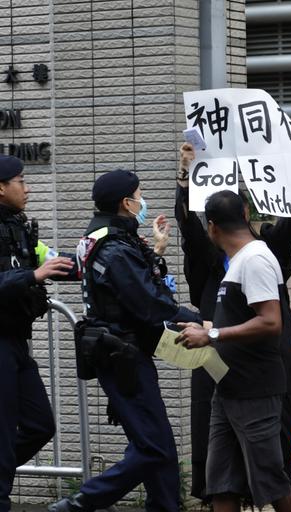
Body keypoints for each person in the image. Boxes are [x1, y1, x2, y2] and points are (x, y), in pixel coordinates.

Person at [49, 169, 204, 512]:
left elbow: (139, 283)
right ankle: (78, 504)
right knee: (153, 447)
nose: (142, 200)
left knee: (157, 443)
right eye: (139, 194)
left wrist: (158, 250)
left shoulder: (103, 236)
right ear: (126, 203)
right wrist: (200, 321)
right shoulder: (114, 247)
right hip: (123, 353)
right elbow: (148, 302)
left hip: (122, 351)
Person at [175, 141, 291, 511]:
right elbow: (189, 230)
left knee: (272, 475)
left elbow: (270, 321)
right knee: (222, 480)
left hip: (258, 381)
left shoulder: (257, 256)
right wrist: (186, 178)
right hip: (225, 382)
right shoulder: (223, 258)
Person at [0, 155, 76, 512]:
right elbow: (31, 273)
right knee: (2, 435)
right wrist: (32, 276)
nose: (27, 189)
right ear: (1, 187)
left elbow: (50, 261)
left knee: (40, 424)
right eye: (20, 182)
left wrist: (95, 261)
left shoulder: (17, 226)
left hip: (16, 341)